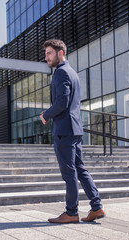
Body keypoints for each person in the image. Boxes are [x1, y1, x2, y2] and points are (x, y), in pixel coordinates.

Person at [40, 39, 105, 224]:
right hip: (75, 129)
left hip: (65, 130)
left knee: (69, 173)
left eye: (49, 53)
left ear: (60, 53)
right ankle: (96, 206)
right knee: (80, 169)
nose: (46, 58)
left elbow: (62, 102)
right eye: (46, 54)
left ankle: (71, 212)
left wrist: (47, 115)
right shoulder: (72, 73)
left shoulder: (60, 73)